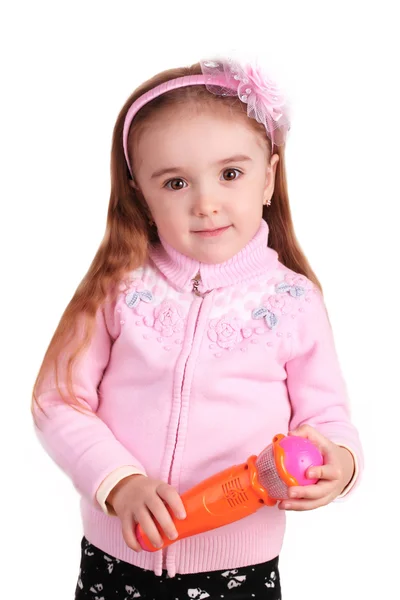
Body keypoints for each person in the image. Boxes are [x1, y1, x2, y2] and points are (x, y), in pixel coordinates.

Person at [32, 57, 363, 599]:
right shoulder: (119, 286)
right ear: (141, 193)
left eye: (231, 174)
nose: (206, 203)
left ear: (268, 178)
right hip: (117, 559)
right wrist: (119, 482)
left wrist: (340, 462)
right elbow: (58, 398)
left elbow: (325, 416)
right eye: (176, 182)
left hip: (240, 567)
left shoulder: (293, 301)